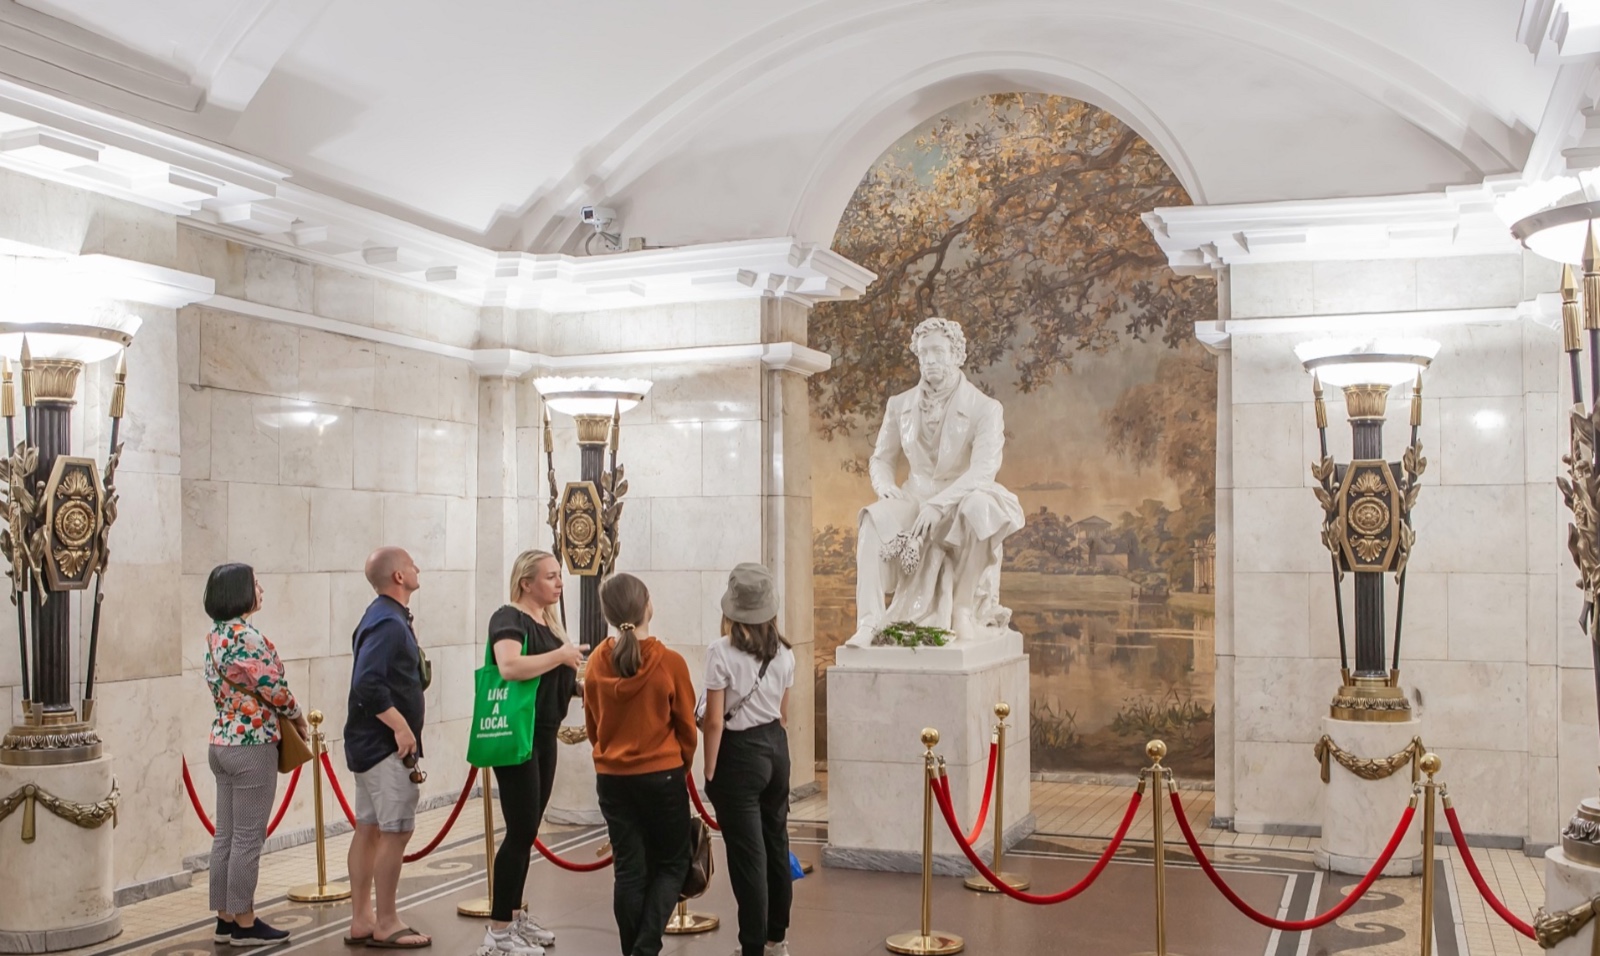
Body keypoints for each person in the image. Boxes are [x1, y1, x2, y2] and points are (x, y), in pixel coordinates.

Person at [847, 316, 1025, 646]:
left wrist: (939, 505)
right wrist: (885, 486)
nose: (929, 360)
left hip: (959, 497)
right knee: (871, 520)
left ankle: (962, 609)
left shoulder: (985, 408)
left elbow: (983, 470)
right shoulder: (899, 405)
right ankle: (869, 622)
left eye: (938, 352)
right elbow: (882, 458)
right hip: (913, 497)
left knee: (981, 507)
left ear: (956, 355)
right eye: (924, 353)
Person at [584, 573, 698, 956]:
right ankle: (645, 949)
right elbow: (687, 728)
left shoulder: (596, 663)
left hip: (612, 778)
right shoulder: (670, 662)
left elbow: (593, 726)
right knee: (674, 864)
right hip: (662, 775)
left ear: (607, 614)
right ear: (648, 605)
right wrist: (681, 765)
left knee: (628, 870)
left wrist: (611, 754)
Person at [478, 550, 585, 956]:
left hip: (544, 733)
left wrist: (582, 685)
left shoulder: (549, 623)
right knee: (520, 831)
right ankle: (498, 932)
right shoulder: (509, 617)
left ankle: (513, 915)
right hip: (517, 734)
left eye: (559, 576)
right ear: (527, 582)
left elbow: (551, 678)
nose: (559, 583)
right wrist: (562, 655)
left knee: (527, 831)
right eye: (550, 576)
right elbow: (509, 667)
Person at [201, 562, 307, 947]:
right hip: (252, 743)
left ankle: (225, 918)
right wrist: (297, 716)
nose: (261, 590)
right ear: (240, 592)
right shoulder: (246, 637)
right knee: (248, 837)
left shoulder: (215, 637)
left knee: (225, 836)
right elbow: (274, 688)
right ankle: (245, 923)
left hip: (221, 741)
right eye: (256, 584)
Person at [701, 564, 796, 956]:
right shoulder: (785, 652)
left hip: (738, 754)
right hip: (776, 747)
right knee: (776, 843)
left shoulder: (720, 652)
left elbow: (713, 722)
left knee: (747, 857)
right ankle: (777, 938)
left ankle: (752, 946)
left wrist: (709, 771)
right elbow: (783, 715)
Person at [344, 547, 431, 949]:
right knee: (395, 831)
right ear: (398, 576)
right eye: (411, 564)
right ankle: (386, 921)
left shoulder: (382, 615)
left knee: (369, 828)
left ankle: (362, 919)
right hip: (383, 747)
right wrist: (401, 727)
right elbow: (367, 682)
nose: (417, 568)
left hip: (367, 744)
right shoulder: (388, 622)